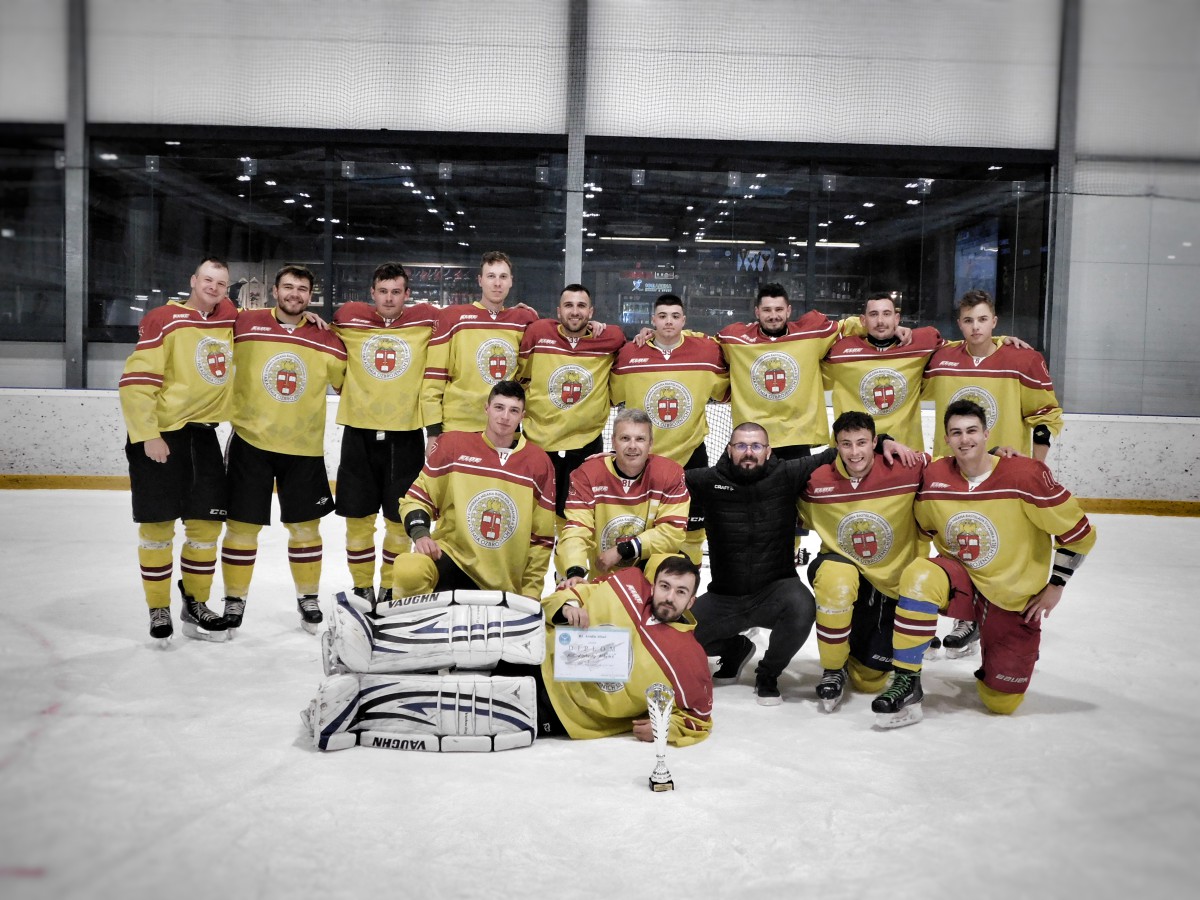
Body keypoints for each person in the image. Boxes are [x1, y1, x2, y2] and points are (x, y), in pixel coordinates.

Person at [306, 554, 712, 751]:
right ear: (654, 583)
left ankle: (358, 708)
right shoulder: (627, 585)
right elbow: (563, 596)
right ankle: (372, 641)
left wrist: (665, 730)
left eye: (680, 592)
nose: (669, 597)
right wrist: (567, 606)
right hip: (536, 651)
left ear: (692, 599)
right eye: (664, 586)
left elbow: (698, 718)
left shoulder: (690, 660)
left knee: (458, 700)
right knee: (472, 637)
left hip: (563, 711)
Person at [871, 400, 1097, 727]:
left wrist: (1056, 584)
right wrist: (883, 441)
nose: (965, 439)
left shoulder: (1025, 475)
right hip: (961, 583)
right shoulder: (935, 475)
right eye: (956, 433)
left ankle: (994, 650)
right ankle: (907, 681)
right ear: (946, 439)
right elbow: (890, 466)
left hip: (1012, 596)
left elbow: (1079, 534)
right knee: (920, 575)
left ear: (987, 434)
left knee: (1001, 702)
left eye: (972, 431)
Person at [686, 421, 917, 704]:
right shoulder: (708, 480)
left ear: (768, 450)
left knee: (802, 607)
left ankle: (768, 674)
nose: (749, 452)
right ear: (729, 449)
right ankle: (736, 649)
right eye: (741, 446)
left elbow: (840, 450)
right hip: (724, 597)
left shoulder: (786, 474)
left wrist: (885, 441)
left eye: (756, 446)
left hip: (775, 591)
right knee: (677, 633)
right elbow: (665, 477)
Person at [218, 264, 348, 634]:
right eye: (288, 287)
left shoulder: (326, 338)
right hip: (250, 443)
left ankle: (308, 598)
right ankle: (234, 599)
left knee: (306, 530)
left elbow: (348, 384)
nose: (295, 294)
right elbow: (205, 318)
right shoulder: (245, 324)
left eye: (302, 289)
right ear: (275, 291)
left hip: (303, 448)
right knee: (241, 528)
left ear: (311, 296)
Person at [119, 256, 237, 643]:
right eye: (207, 280)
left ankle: (196, 604)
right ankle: (158, 609)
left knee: (205, 527)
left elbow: (267, 320)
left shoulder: (227, 317)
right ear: (193, 280)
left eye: (221, 283)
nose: (213, 288)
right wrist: (147, 434)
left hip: (203, 437)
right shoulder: (163, 319)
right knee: (157, 528)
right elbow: (136, 382)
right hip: (162, 436)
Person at [798, 411, 929, 712]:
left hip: (888, 583)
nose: (854, 452)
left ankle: (855, 655)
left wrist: (996, 453)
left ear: (875, 442)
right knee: (837, 580)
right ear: (836, 445)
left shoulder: (907, 468)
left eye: (861, 443)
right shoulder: (816, 481)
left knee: (869, 681)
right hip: (841, 566)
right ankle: (832, 668)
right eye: (846, 444)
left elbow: (958, 467)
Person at [387, 380, 555, 606]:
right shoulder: (455, 446)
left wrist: (531, 593)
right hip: (452, 559)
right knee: (409, 568)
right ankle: (410, 622)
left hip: (503, 583)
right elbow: (417, 498)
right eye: (499, 407)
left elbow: (541, 538)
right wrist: (421, 533)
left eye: (513, 410)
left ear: (522, 416)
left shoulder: (539, 463)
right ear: (487, 408)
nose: (505, 416)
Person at [332, 262, 438, 608]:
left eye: (396, 292)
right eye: (383, 291)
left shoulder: (426, 321)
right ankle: (362, 587)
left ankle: (390, 588)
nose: (389, 298)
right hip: (358, 435)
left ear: (407, 294)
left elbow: (469, 321)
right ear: (372, 293)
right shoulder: (348, 319)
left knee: (397, 520)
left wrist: (520, 313)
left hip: (405, 437)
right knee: (358, 521)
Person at [611, 293, 728, 563]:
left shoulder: (706, 352)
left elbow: (725, 384)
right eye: (662, 316)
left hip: (691, 454)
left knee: (693, 526)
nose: (668, 322)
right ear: (652, 319)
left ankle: (690, 575)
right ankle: (641, 576)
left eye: (675, 316)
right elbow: (614, 395)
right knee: (642, 522)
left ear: (684, 321)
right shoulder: (630, 354)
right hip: (642, 458)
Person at [517, 284, 626, 529]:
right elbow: (520, 374)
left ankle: (568, 556)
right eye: (568, 305)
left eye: (581, 306)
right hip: (539, 444)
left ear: (591, 312)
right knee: (534, 518)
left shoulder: (609, 339)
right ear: (558, 311)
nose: (575, 311)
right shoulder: (539, 332)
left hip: (586, 445)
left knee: (577, 519)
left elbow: (633, 343)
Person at [554, 407, 689, 589]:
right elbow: (577, 527)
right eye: (625, 438)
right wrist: (575, 571)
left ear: (650, 443)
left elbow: (672, 532)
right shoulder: (588, 474)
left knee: (674, 563)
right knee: (564, 581)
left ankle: (654, 602)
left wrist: (624, 549)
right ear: (613, 441)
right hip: (599, 574)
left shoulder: (669, 474)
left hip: (646, 575)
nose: (632, 446)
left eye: (640, 439)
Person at [923, 290, 1062, 461]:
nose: (975, 327)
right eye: (968, 320)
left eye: (983, 319)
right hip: (952, 468)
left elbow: (1045, 416)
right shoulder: (941, 359)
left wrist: (1036, 467)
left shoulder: (1023, 361)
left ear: (994, 321)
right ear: (959, 324)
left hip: (1006, 467)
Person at [421, 251, 538, 443]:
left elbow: (527, 376)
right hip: (459, 428)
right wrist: (433, 432)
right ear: (480, 280)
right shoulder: (453, 318)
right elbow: (434, 378)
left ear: (511, 281)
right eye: (491, 276)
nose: (497, 283)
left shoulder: (522, 321)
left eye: (503, 277)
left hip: (505, 429)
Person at [822, 292, 942, 450]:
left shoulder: (919, 347)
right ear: (863, 320)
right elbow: (823, 335)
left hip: (904, 454)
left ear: (897, 319)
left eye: (886, 314)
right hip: (853, 453)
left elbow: (939, 339)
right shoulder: (839, 352)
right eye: (873, 314)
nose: (880, 321)